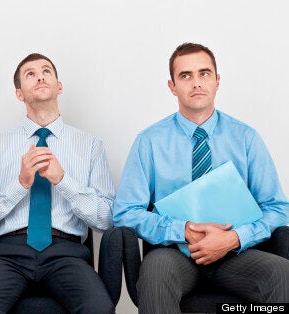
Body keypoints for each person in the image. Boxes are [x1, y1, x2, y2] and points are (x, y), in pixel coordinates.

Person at [113, 42, 289, 313]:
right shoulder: (149, 142)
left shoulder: (246, 138)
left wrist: (235, 238)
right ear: (172, 86)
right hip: (176, 255)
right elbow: (125, 212)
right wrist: (182, 230)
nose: (196, 83)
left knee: (282, 273)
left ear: (217, 81)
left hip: (236, 255)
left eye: (204, 73)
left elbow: (278, 209)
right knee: (156, 269)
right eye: (185, 76)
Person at [0, 53, 116, 314]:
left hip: (66, 253)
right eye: (30, 74)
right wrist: (19, 185)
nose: (40, 76)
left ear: (59, 86)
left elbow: (106, 219)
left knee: (99, 309)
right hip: (8, 255)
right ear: (20, 94)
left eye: (46, 71)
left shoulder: (90, 146)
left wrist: (62, 180)